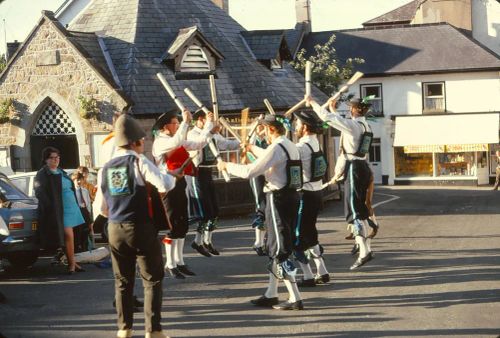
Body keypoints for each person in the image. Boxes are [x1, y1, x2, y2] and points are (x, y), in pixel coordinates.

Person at [98, 114, 176, 338]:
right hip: (140, 227)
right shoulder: (139, 161)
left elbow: (103, 208)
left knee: (122, 281)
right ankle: (154, 330)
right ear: (135, 142)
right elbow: (163, 184)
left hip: (114, 228)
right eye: (142, 140)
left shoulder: (106, 168)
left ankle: (124, 330)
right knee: (152, 279)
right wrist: (170, 175)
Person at [217, 114, 304, 311]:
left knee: (279, 249)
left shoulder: (276, 148)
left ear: (271, 129)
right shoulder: (288, 144)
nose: (261, 133)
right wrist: (251, 148)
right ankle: (271, 293)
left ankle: (295, 298)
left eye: (263, 129)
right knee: (276, 247)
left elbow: (250, 171)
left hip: (278, 200)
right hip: (290, 198)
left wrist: (226, 165)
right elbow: (269, 155)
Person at [307, 95, 374, 270]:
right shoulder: (365, 125)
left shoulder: (352, 126)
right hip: (362, 167)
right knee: (359, 209)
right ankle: (366, 248)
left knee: (353, 212)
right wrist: (333, 109)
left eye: (350, 107)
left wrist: (313, 102)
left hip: (354, 168)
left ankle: (364, 252)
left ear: (354, 109)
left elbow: (329, 119)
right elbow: (340, 123)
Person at [152, 108, 214, 278]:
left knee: (182, 225)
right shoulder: (161, 142)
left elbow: (199, 144)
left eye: (179, 123)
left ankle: (180, 261)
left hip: (179, 184)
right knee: (173, 225)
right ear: (166, 126)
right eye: (175, 123)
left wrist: (209, 126)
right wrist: (187, 122)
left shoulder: (175, 139)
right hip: (166, 187)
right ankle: (170, 263)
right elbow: (178, 140)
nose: (178, 125)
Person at [186, 109, 239, 256]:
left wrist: (242, 144)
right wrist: (210, 127)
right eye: (204, 119)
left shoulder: (212, 133)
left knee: (214, 210)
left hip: (208, 172)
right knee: (204, 211)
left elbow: (226, 144)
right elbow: (201, 142)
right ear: (198, 120)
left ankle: (207, 241)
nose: (207, 122)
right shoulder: (193, 134)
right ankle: (197, 241)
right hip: (196, 173)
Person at [292, 110, 330, 287]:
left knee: (298, 237)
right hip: (317, 193)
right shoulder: (316, 143)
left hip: (305, 195)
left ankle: (307, 276)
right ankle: (322, 271)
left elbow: (283, 156)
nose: (295, 127)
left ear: (305, 127)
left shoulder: (301, 147)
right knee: (311, 234)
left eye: (298, 124)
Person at [34, 147, 85, 274]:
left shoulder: (61, 171)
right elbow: (39, 192)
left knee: (74, 236)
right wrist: (50, 207)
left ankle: (73, 262)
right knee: (68, 236)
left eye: (57, 157)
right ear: (46, 159)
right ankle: (72, 265)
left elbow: (70, 187)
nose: (56, 160)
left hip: (72, 206)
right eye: (52, 157)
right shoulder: (42, 173)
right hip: (59, 209)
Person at [247, 124, 268, 256]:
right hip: (256, 175)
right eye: (259, 126)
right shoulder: (252, 141)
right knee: (261, 206)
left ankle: (261, 242)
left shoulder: (267, 140)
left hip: (267, 175)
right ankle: (258, 243)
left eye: (263, 126)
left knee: (266, 209)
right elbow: (250, 157)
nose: (261, 129)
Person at [72, 172, 93, 253]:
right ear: (73, 180)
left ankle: (85, 249)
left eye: (80, 180)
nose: (79, 182)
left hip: (85, 212)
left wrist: (89, 216)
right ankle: (77, 250)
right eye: (77, 180)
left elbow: (88, 204)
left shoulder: (85, 191)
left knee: (86, 231)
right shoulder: (72, 192)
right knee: (77, 232)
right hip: (77, 212)